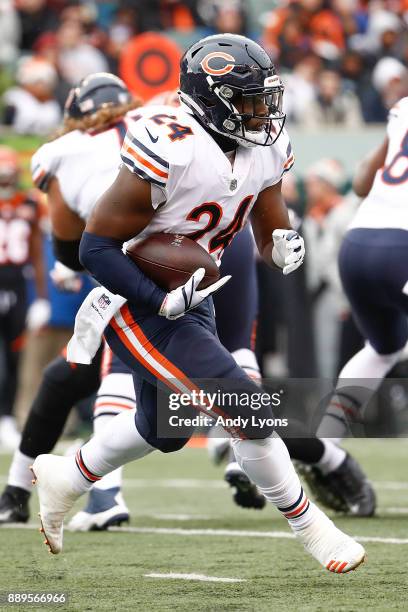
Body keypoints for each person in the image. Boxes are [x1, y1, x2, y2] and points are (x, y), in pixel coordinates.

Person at [32, 34, 365, 573]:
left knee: (163, 428)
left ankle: (66, 476)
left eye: (265, 99)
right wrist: (157, 299)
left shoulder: (266, 146)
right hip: (134, 296)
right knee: (243, 402)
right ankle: (313, 529)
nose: (263, 113)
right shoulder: (171, 143)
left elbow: (266, 222)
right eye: (249, 102)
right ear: (211, 100)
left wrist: (282, 246)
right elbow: (95, 246)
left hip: (193, 290)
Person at [315, 95, 408, 451]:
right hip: (402, 249)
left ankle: (324, 446)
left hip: (358, 243)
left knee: (384, 348)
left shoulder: (403, 107)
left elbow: (361, 183)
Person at [0, 146, 49, 450]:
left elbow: (37, 253)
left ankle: (6, 419)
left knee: (14, 356)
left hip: (17, 284)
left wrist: (42, 298)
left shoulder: (30, 203)